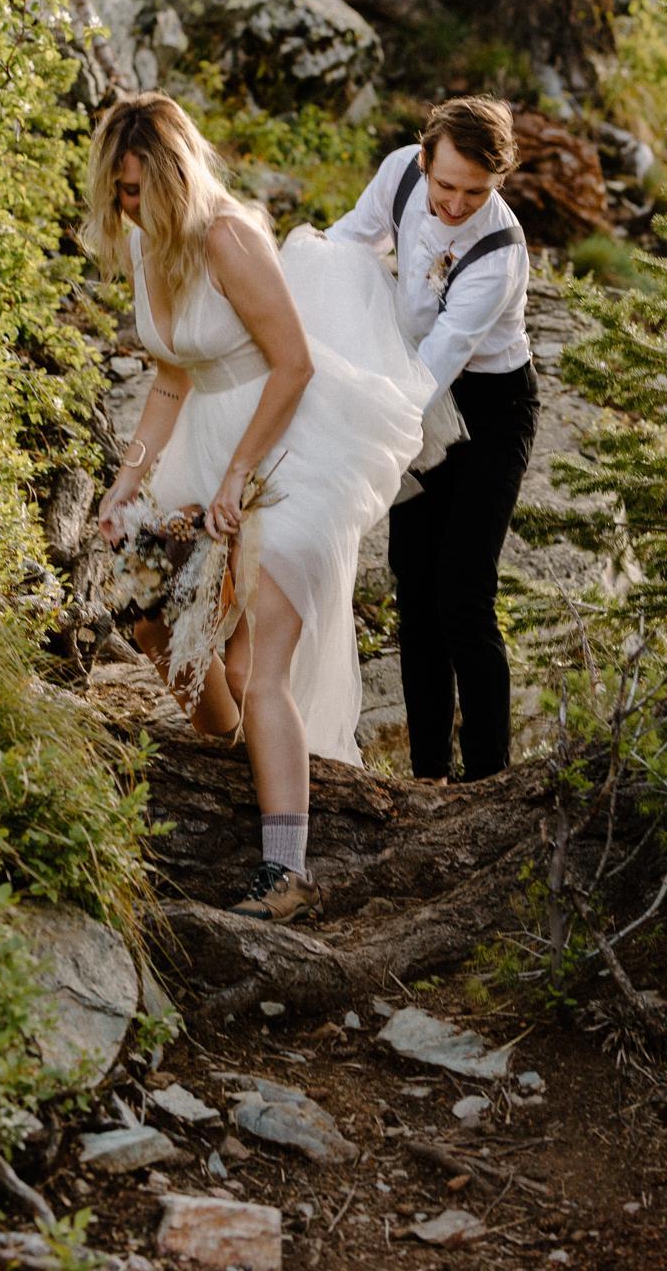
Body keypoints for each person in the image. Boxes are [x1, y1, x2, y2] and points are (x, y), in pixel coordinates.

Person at [87, 93, 436, 923]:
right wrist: (129, 477)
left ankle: (285, 872)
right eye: (119, 191)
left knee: (259, 668)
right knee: (146, 606)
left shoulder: (227, 237)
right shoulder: (144, 245)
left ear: (177, 175)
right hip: (201, 442)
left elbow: (294, 365)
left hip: (288, 449)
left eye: (140, 188)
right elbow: (170, 377)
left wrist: (237, 477)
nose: (129, 205)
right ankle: (229, 740)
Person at [330, 96, 538, 783]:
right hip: (408, 382)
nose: (455, 203)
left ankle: (487, 779)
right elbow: (349, 243)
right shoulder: (399, 172)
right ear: (423, 158)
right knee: (414, 587)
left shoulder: (499, 254)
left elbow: (435, 368)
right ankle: (428, 777)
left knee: (462, 593)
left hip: (486, 408)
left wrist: (357, 427)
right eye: (445, 185)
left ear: (498, 181)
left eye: (475, 192)